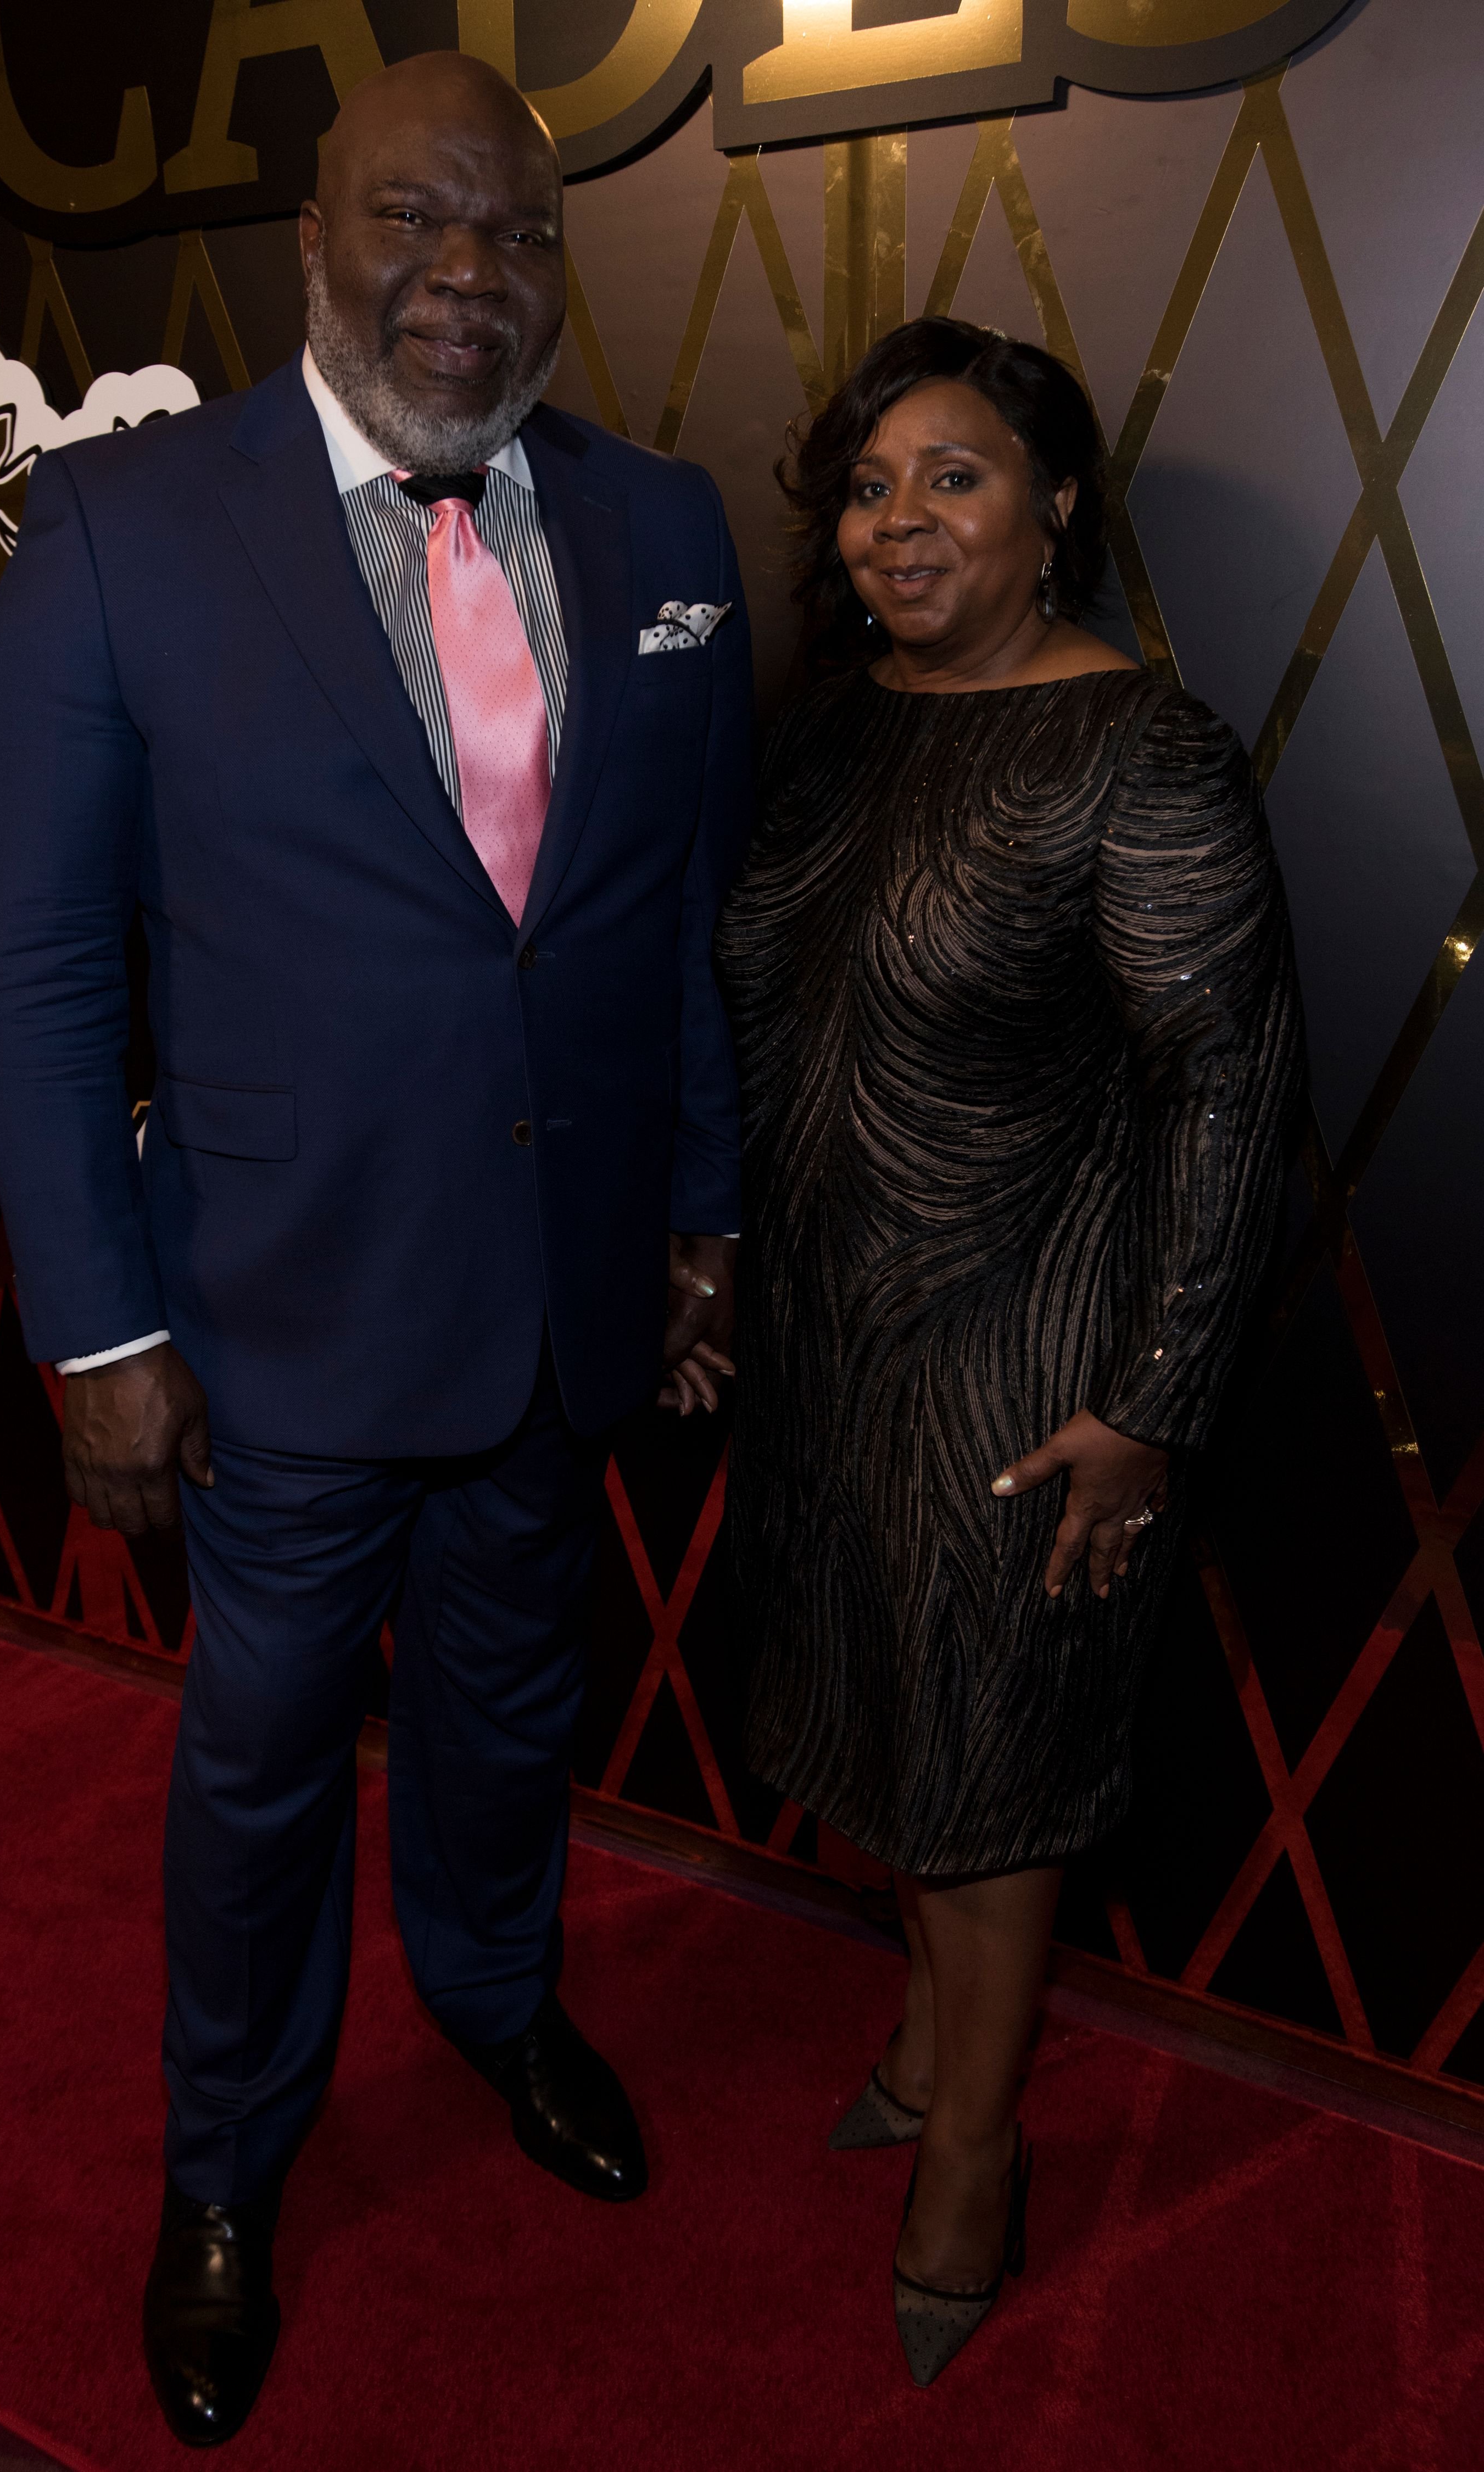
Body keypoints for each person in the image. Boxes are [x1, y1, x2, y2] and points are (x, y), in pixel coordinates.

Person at [0, 53, 748, 2447]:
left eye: (515, 231)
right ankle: (227, 2174)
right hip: (277, 1320)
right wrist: (98, 1324)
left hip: (556, 1306)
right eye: (416, 221)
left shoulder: (663, 520)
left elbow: (666, 927)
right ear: (313, 243)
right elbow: (51, 973)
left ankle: (499, 2000)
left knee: (516, 1720)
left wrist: (700, 1211)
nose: (468, 275)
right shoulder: (117, 532)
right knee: (267, 1771)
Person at [716, 316, 1303, 2387]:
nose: (899, 522)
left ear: (1058, 504)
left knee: (988, 1758)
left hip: (1023, 1355)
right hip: (823, 1343)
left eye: (953, 478)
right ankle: (914, 2031)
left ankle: (976, 2142)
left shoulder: (1135, 749)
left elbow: (1230, 1092)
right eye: (871, 488)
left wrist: (1149, 1405)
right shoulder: (835, 727)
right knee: (880, 1720)